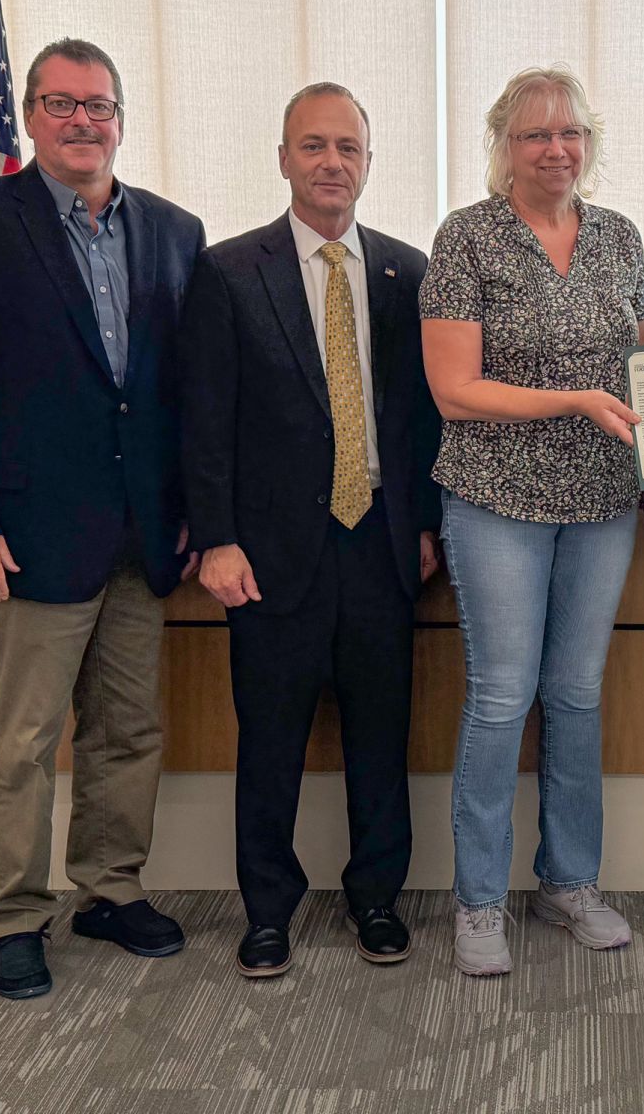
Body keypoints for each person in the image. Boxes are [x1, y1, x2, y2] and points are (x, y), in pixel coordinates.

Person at [0, 38, 205, 999]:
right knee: (27, 740)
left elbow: (184, 393)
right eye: (62, 103)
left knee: (128, 729)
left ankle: (110, 889)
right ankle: (16, 917)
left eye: (100, 106)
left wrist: (195, 509)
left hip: (144, 531)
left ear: (123, 119)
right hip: (29, 531)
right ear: (30, 116)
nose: (84, 122)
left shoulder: (173, 230)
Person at [420, 67, 644, 977]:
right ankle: (476, 902)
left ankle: (569, 882)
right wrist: (573, 398)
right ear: (503, 143)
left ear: (590, 141)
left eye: (570, 133)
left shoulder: (619, 237)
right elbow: (454, 393)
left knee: (576, 697)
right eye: (535, 134)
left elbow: (640, 385)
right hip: (494, 498)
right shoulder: (466, 239)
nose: (555, 149)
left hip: (602, 504)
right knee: (503, 696)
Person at [178, 83, 441, 978]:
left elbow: (421, 421)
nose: (333, 163)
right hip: (267, 551)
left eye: (349, 149)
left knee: (380, 736)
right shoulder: (226, 272)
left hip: (380, 540)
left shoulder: (408, 271)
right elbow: (203, 421)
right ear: (284, 157)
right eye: (314, 146)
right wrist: (215, 537)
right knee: (271, 741)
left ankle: (376, 899)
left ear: (369, 162)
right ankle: (267, 912)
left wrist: (426, 526)